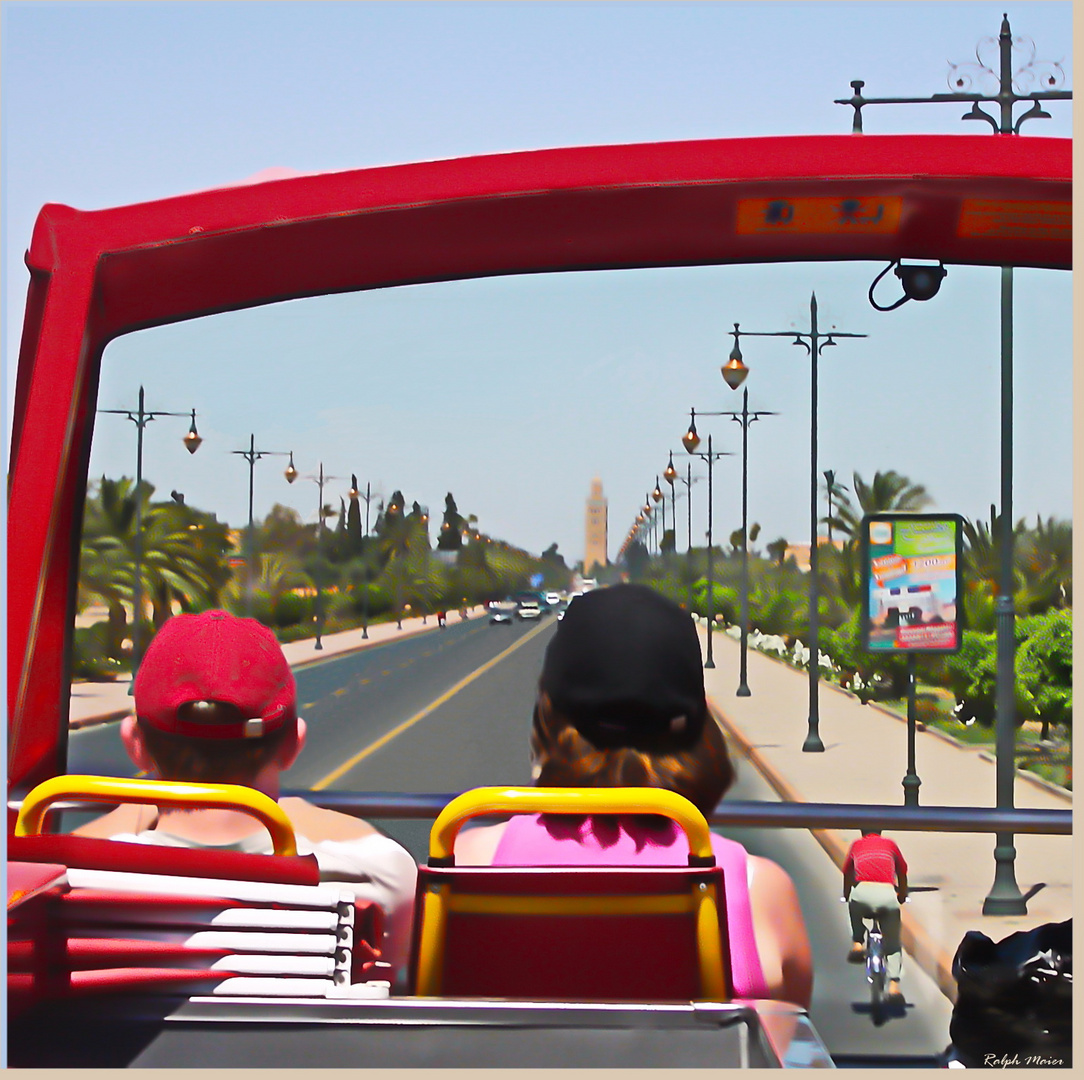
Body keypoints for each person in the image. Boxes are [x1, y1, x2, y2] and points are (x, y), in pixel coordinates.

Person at [453, 584, 813, 1007]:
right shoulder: (756, 888)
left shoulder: (468, 859)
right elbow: (785, 1034)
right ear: (698, 730)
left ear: (547, 719)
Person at [74, 609, 418, 980]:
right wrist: (295, 812)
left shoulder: (69, 880)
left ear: (134, 745)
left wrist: (134, 807)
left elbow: (56, 857)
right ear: (292, 745)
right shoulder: (381, 874)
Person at [842, 826, 909, 1001]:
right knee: (893, 943)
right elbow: (902, 871)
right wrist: (902, 895)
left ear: (861, 832)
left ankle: (857, 942)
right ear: (880, 831)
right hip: (887, 895)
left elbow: (847, 872)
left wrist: (847, 895)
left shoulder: (857, 845)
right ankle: (894, 986)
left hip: (862, 892)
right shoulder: (890, 844)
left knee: (854, 906)